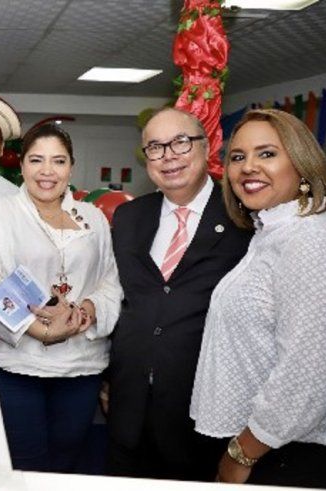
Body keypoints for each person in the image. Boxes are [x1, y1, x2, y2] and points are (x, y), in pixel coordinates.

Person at [190, 108, 326, 488]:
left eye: (267, 153)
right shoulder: (271, 233)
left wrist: (241, 454)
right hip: (260, 445)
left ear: (302, 164)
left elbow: (306, 376)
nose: (248, 167)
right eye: (238, 157)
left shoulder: (308, 240)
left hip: (282, 453)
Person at [107, 107, 252, 480]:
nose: (168, 156)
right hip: (128, 410)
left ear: (207, 147)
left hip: (203, 416)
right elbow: (121, 299)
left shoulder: (245, 218)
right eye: (155, 147)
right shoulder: (129, 217)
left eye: (181, 143)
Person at [0, 123, 122, 472]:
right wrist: (42, 332)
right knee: (23, 466)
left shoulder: (94, 218)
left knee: (68, 462)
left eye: (58, 161)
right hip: (17, 365)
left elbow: (110, 282)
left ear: (71, 167)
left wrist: (87, 310)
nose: (47, 171)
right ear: (21, 165)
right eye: (37, 160)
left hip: (82, 366)